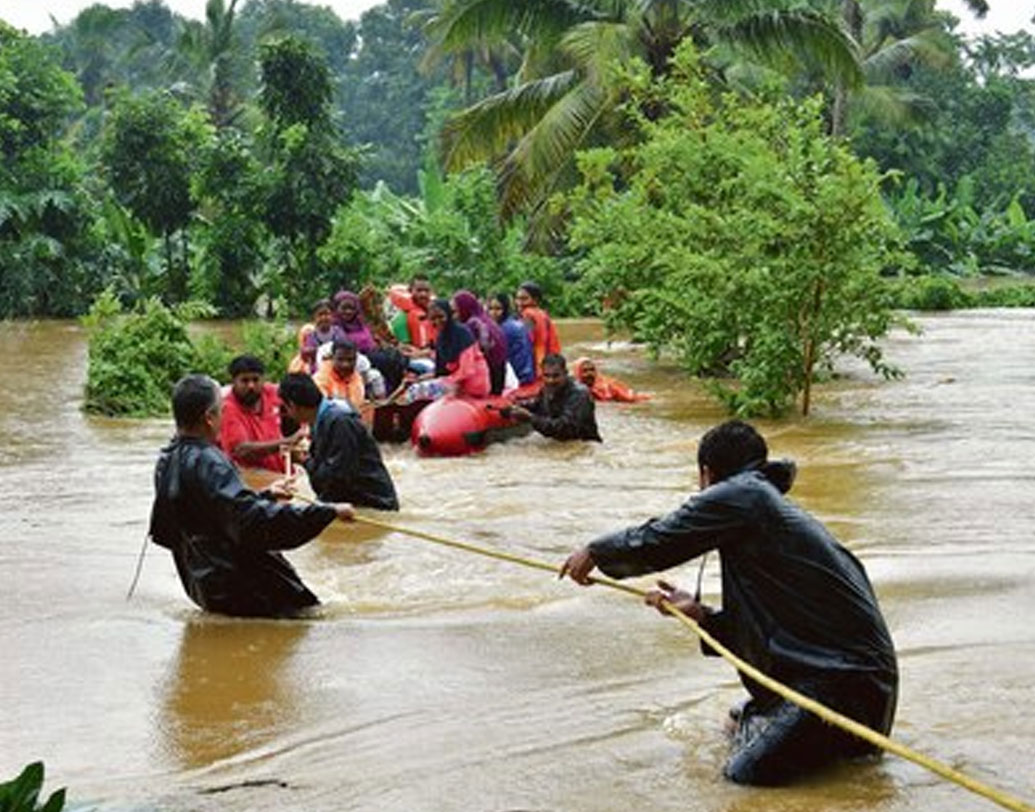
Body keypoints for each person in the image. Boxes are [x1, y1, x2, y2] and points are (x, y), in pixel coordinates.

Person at [559, 420, 898, 786]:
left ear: (706, 474)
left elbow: (660, 538)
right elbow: (772, 633)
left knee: (743, 777)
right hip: (860, 689)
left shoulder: (744, 495)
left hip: (842, 689)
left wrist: (596, 551)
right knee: (736, 721)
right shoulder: (762, 510)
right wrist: (700, 614)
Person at [149, 374, 354, 618]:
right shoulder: (210, 461)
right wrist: (326, 512)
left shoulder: (166, 459)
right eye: (221, 411)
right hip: (246, 587)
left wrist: (266, 494)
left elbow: (215, 512)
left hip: (204, 585)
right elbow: (252, 522)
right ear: (209, 418)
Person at [278, 373, 399, 510]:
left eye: (285, 408)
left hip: (373, 505)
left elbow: (336, 479)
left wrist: (303, 461)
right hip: (354, 503)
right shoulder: (324, 418)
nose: (286, 413)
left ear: (293, 406)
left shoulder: (339, 422)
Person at [396, 298, 491, 404]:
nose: (437, 321)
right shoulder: (441, 339)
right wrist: (419, 379)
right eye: (433, 318)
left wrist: (445, 381)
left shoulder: (463, 334)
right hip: (456, 382)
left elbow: (467, 370)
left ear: (448, 315)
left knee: (418, 390)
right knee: (413, 386)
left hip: (473, 383)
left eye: (441, 317)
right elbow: (440, 371)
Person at [219, 355, 301, 472]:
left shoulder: (270, 392)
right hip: (252, 479)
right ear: (233, 381)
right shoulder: (228, 408)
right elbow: (241, 450)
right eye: (245, 381)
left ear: (263, 379)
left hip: (281, 473)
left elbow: (298, 402)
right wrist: (288, 442)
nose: (251, 386)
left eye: (255, 380)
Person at [506, 353, 601, 441]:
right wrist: (513, 408)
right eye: (546, 375)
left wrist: (531, 418)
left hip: (584, 448)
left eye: (556, 376)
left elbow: (564, 429)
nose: (550, 380)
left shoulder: (580, 394)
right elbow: (536, 405)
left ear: (565, 373)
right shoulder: (546, 388)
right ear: (542, 375)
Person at [453, 290, 508, 395]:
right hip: (500, 374)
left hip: (488, 375)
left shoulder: (471, 325)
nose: (455, 316)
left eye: (456, 311)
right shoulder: (487, 320)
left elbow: (467, 358)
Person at [515, 281, 561, 379]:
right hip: (550, 361)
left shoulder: (528, 315)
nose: (519, 303)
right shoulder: (543, 314)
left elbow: (526, 341)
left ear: (535, 300)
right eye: (517, 298)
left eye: (524, 299)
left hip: (536, 364)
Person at [488, 292, 535, 386]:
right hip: (527, 374)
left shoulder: (505, 329)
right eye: (490, 309)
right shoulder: (514, 323)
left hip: (518, 377)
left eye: (498, 309)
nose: (493, 312)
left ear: (505, 309)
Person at [572, 356, 651, 403]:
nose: (590, 374)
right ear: (577, 373)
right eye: (585, 371)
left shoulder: (608, 387)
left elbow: (630, 398)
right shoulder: (573, 389)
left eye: (592, 370)